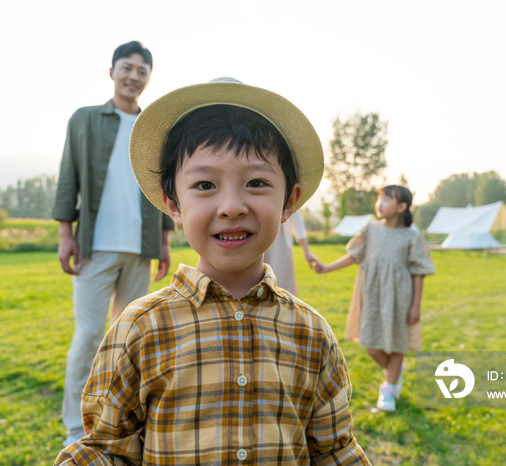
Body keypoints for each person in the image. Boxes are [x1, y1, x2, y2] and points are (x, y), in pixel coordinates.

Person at [53, 77, 371, 465]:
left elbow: (335, 451)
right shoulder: (138, 328)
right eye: (205, 184)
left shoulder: (312, 333)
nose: (231, 206)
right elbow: (106, 449)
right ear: (173, 204)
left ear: (290, 202)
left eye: (256, 182)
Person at [52, 40, 174, 447]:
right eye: (127, 67)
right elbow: (68, 175)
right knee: (88, 335)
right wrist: (65, 232)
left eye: (142, 70)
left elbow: (162, 188)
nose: (134, 76)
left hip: (140, 248)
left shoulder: (154, 128)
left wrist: (163, 241)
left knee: (129, 340)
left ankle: (120, 422)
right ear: (112, 72)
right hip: (95, 246)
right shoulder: (84, 120)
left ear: (148, 79)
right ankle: (74, 428)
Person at [314, 185, 435, 412]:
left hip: (400, 297)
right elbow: (354, 255)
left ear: (402, 207)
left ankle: (388, 390)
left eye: (387, 199)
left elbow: (418, 271)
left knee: (397, 344)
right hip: (371, 294)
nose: (380, 203)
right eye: (380, 198)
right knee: (370, 345)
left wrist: (416, 305)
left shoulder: (412, 235)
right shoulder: (370, 229)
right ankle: (394, 373)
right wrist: (327, 268)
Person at [263, 209, 318, 295]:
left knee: (280, 286)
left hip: (279, 242)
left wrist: (307, 251)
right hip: (259, 237)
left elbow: (295, 216)